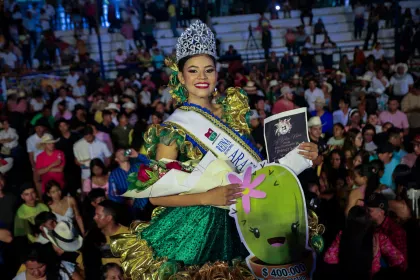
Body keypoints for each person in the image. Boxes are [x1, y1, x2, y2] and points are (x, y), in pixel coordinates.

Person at [109, 20, 318, 279]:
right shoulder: (173, 130)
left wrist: (301, 156)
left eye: (209, 70)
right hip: (198, 228)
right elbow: (155, 197)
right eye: (193, 71)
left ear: (217, 73)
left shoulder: (232, 111)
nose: (202, 78)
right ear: (181, 76)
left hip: (246, 219)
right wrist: (208, 197)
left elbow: (256, 165)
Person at [324, 206, 406, 278]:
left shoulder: (341, 235)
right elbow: (399, 259)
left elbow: (329, 258)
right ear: (368, 222)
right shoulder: (378, 238)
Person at [366, 193, 408, 266]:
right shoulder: (371, 226)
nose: (366, 213)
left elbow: (402, 264)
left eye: (370, 211)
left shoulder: (395, 231)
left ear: (381, 212)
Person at [108, 149, 151, 220]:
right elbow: (112, 195)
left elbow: (152, 164)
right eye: (120, 153)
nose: (123, 153)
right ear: (116, 159)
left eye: (124, 152)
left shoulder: (138, 166)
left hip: (147, 204)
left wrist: (137, 155)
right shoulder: (114, 175)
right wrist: (124, 201)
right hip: (131, 211)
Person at [13, 243, 83, 280]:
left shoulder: (63, 268)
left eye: (41, 267)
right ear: (25, 265)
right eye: (31, 269)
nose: (37, 273)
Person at [93, 200, 130, 265]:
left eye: (98, 215)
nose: (94, 218)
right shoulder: (93, 237)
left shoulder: (129, 235)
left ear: (109, 218)